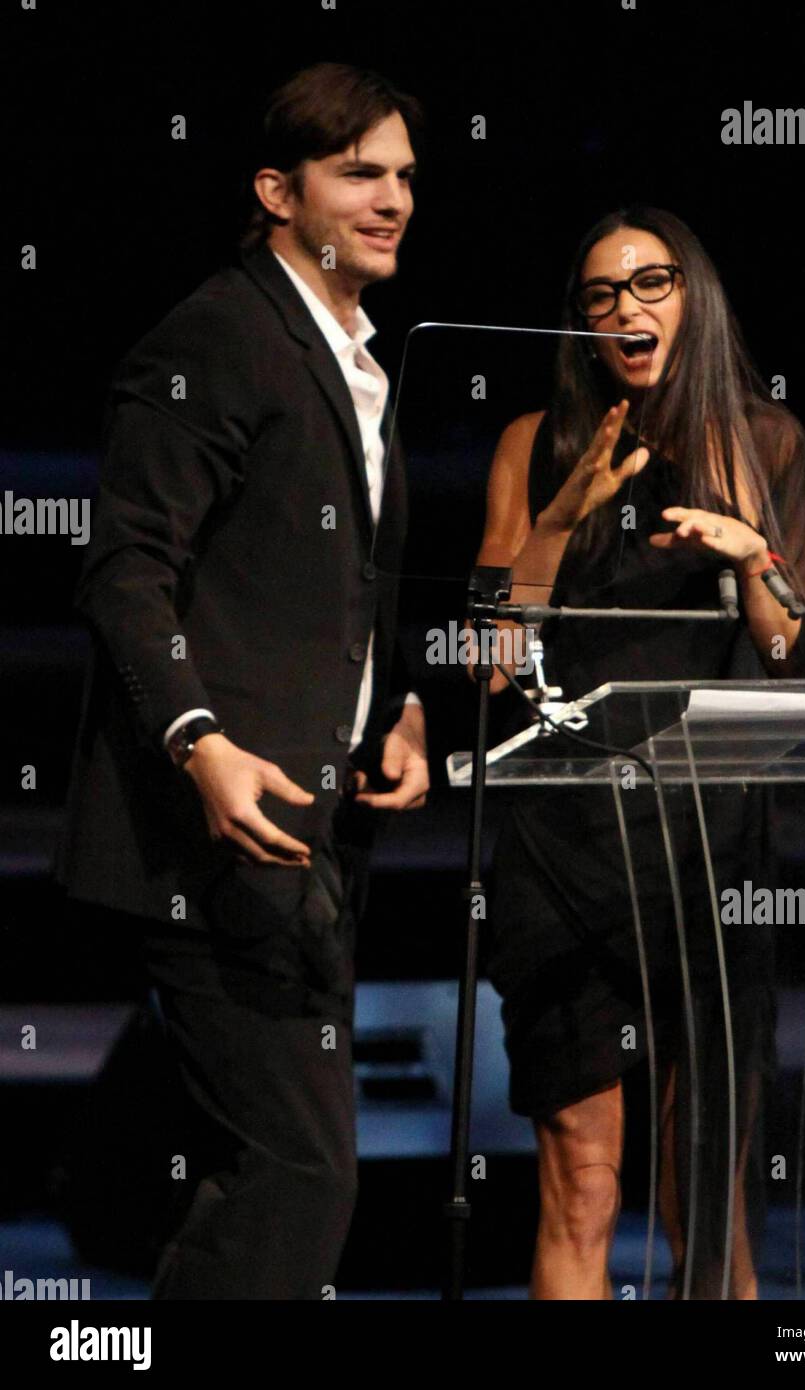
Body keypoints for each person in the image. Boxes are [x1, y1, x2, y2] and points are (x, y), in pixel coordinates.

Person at [54, 63, 430, 1298]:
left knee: (278, 1170)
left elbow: (350, 587)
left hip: (309, 828)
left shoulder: (358, 361)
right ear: (278, 189)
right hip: (215, 832)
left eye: (406, 176)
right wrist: (197, 737)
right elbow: (125, 568)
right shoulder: (218, 335)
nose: (393, 199)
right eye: (359, 173)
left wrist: (404, 709)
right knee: (300, 1172)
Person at [474, 207, 805, 1299]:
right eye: (600, 294)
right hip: (561, 847)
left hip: (703, 854)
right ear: (581, 323)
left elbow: (796, 658)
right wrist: (564, 511)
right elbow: (492, 661)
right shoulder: (531, 442)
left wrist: (748, 552)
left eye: (651, 283)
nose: (625, 306)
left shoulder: (761, 439)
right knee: (582, 1181)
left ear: (694, 300)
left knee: (705, 1194)